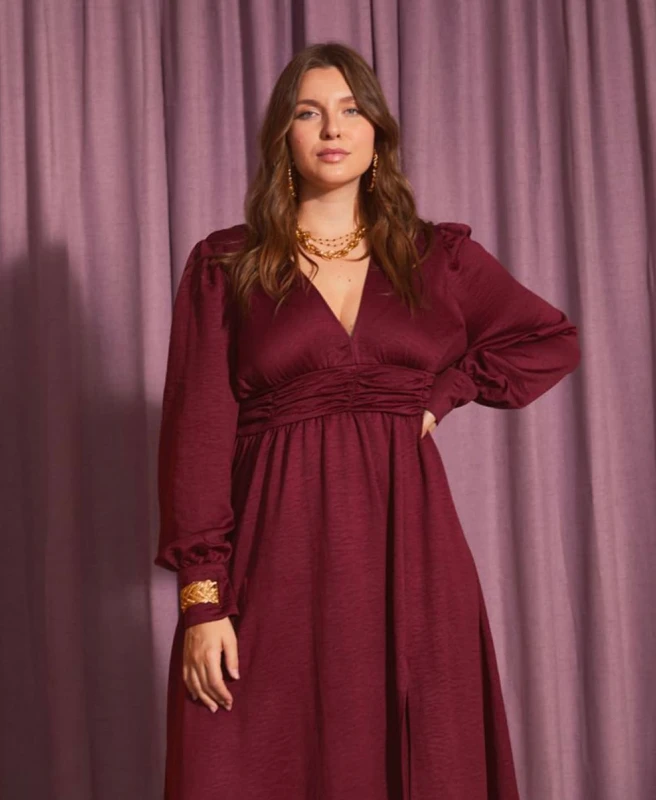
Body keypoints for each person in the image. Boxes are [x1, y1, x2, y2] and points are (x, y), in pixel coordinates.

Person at [154, 41, 580, 800]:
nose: (332, 128)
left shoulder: (437, 257)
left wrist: (445, 393)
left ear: (377, 131)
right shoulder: (227, 266)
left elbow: (550, 338)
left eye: (351, 111)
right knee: (259, 756)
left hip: (411, 551)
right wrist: (203, 599)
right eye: (308, 112)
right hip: (273, 559)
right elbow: (197, 437)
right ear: (282, 136)